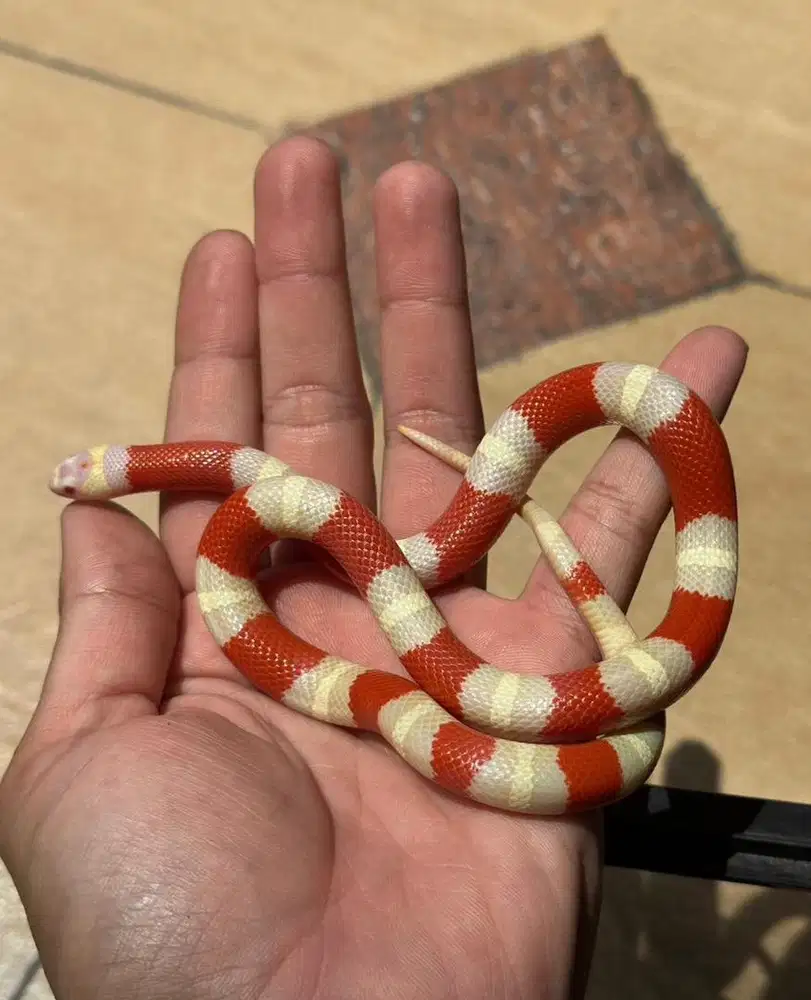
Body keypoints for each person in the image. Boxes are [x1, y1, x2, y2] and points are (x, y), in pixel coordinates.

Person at [0, 137, 747, 1000]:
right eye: (84, 475)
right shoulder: (251, 530)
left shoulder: (269, 523)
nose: (71, 485)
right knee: (427, 612)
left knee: (455, 571)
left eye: (86, 474)